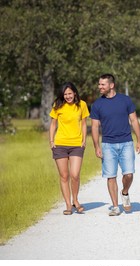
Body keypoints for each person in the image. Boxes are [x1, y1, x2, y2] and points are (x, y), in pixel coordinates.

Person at [90, 73, 140, 216]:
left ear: (111, 85)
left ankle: (125, 192)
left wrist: (139, 140)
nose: (100, 87)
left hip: (126, 142)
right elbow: (94, 127)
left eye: (103, 84)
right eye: (99, 84)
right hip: (108, 145)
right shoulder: (97, 105)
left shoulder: (125, 100)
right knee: (111, 176)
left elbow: (134, 120)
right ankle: (115, 206)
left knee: (129, 174)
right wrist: (97, 146)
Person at [49, 82, 90, 215]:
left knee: (75, 174)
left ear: (75, 93)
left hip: (76, 144)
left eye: (70, 94)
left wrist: (84, 140)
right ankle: (68, 204)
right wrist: (51, 141)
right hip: (60, 144)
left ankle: (76, 200)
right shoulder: (58, 105)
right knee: (64, 176)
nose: (67, 96)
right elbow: (53, 124)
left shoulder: (82, 105)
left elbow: (84, 123)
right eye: (65, 94)